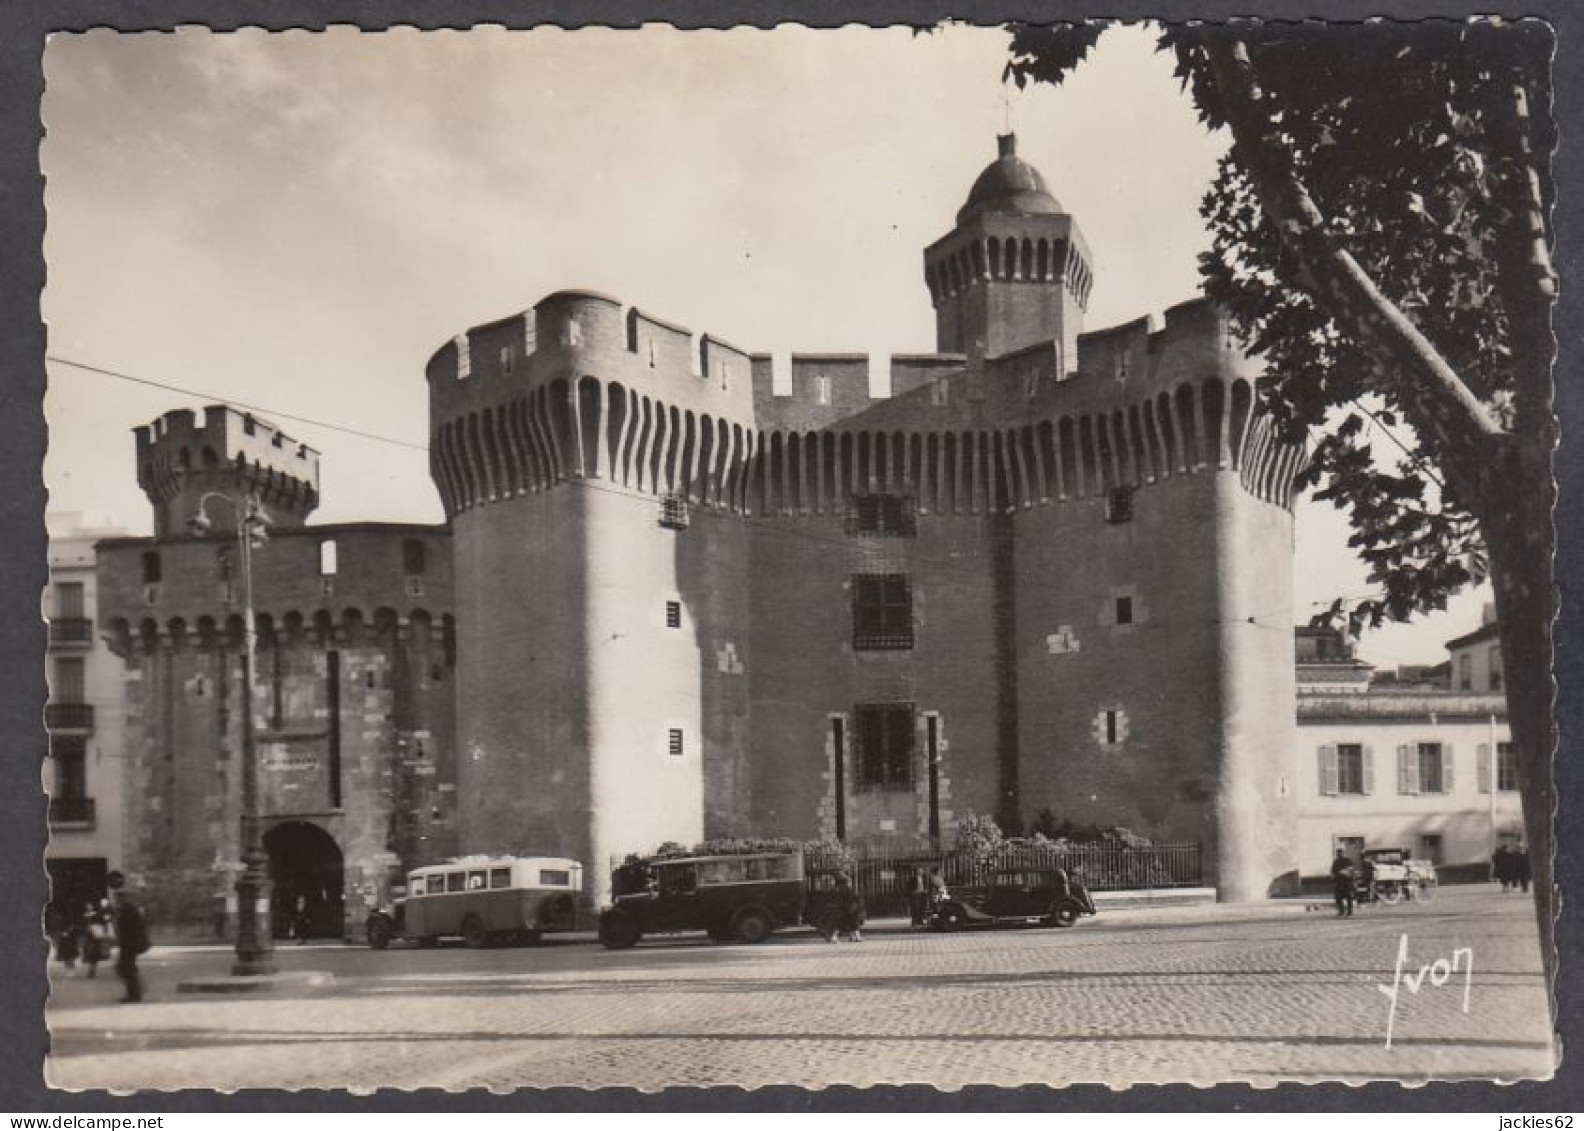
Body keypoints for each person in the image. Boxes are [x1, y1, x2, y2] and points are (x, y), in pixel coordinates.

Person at [106, 871, 148, 1003]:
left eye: (118, 898)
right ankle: (135, 992)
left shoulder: (127, 909)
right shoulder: (127, 908)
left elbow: (130, 928)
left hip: (131, 943)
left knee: (124, 967)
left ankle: (135, 994)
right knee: (126, 967)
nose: (117, 900)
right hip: (130, 943)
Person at [82, 900, 112, 979]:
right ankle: (91, 969)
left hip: (95, 936)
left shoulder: (97, 915)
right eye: (87, 906)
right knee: (90, 953)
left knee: (93, 953)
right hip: (89, 936)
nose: (88, 907)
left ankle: (92, 970)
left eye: (89, 905)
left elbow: (103, 923)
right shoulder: (86, 915)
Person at [832, 874, 865, 942]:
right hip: (850, 909)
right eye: (849, 881)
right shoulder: (848, 889)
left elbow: (839, 900)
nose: (850, 882)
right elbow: (854, 898)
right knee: (853, 923)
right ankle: (856, 937)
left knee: (844, 924)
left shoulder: (839, 889)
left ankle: (853, 937)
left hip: (843, 909)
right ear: (847, 882)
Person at [1330, 849, 1355, 918]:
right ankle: (1343, 911)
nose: (1339, 854)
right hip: (1341, 882)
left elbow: (1351, 869)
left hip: (1345, 882)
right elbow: (1333, 871)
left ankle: (1348, 912)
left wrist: (1345, 872)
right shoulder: (1337, 861)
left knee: (1347, 897)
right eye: (1338, 853)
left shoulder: (1346, 860)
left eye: (1339, 853)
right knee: (1339, 897)